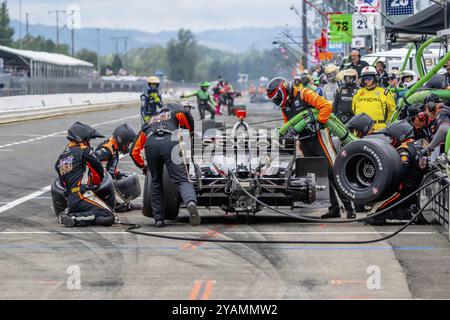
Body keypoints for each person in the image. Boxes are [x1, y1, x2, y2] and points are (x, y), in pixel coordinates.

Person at [266, 77, 356, 219]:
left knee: (332, 172)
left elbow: (326, 106)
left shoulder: (305, 94)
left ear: (284, 90)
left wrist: (319, 121)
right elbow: (288, 124)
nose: (277, 102)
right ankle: (334, 208)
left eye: (277, 98)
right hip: (304, 142)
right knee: (321, 175)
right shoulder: (285, 107)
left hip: (320, 137)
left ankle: (350, 209)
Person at [130, 102, 200, 228]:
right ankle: (190, 202)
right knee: (182, 180)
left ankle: (158, 219)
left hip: (151, 144)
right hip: (170, 142)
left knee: (156, 182)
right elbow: (186, 114)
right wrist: (191, 130)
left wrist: (143, 166)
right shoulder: (175, 112)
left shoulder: (150, 121)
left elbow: (134, 151)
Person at [365, 120, 427, 225]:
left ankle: (411, 214)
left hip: (403, 191)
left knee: (375, 216)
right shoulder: (419, 147)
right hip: (415, 189)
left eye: (392, 137)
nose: (391, 140)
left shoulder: (404, 149)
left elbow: (400, 171)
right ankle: (411, 209)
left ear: (400, 136)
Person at [56, 122, 116, 228]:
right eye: (88, 139)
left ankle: (66, 213)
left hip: (70, 198)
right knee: (110, 216)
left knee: (101, 214)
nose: (88, 142)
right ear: (81, 138)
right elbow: (98, 168)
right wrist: (96, 181)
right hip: (82, 195)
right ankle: (74, 218)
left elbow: (62, 181)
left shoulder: (61, 158)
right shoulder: (84, 150)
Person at [94, 124, 142, 212]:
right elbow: (91, 161)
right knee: (120, 207)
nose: (128, 146)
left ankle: (126, 205)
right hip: (97, 183)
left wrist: (117, 174)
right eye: (128, 143)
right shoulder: (106, 150)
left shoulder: (114, 149)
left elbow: (110, 166)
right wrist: (102, 175)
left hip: (106, 181)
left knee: (121, 201)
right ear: (121, 139)